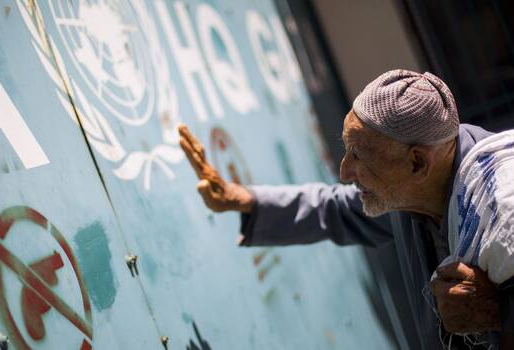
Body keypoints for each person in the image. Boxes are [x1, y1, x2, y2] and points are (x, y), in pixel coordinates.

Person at [178, 69, 514, 349]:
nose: (344, 172)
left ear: (416, 162)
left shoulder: (500, 210)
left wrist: (498, 312)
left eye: (359, 156)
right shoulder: (414, 188)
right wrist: (243, 199)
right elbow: (338, 209)